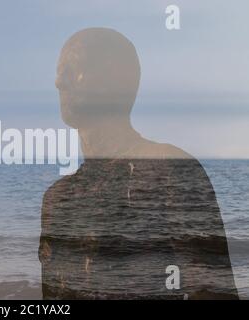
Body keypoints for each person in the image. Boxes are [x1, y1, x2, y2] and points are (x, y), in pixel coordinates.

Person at [39, 28, 238, 299]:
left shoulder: (168, 169)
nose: (58, 82)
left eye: (72, 69)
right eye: (60, 71)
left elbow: (214, 292)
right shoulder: (58, 198)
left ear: (112, 79)